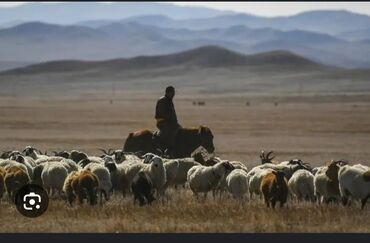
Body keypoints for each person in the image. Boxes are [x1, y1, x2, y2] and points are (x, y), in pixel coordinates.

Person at [155, 86, 181, 153]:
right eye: (173, 93)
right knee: (171, 136)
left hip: (171, 123)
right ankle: (166, 151)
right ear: (169, 92)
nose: (174, 95)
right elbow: (164, 114)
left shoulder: (169, 100)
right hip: (163, 123)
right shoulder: (163, 100)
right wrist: (171, 122)